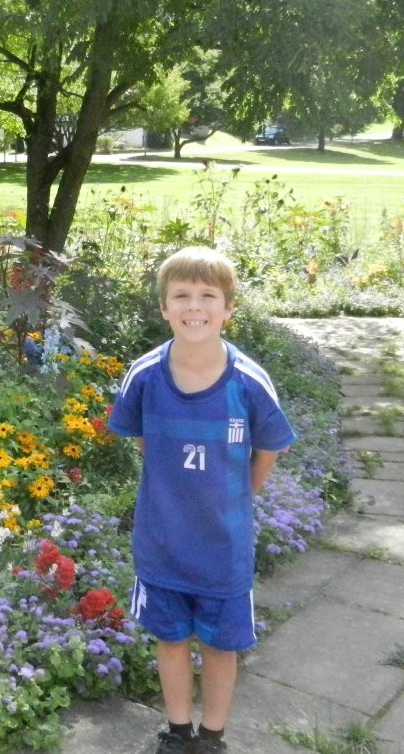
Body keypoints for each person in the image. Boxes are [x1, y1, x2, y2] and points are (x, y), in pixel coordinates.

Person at [108, 246, 296, 754]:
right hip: (162, 542)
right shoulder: (144, 376)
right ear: (164, 308)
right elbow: (146, 442)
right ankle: (177, 731)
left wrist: (236, 500)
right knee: (170, 640)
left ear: (228, 309)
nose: (195, 306)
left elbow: (269, 448)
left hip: (223, 549)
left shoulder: (249, 382)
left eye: (208, 296)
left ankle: (212, 737)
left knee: (220, 644)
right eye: (182, 295)